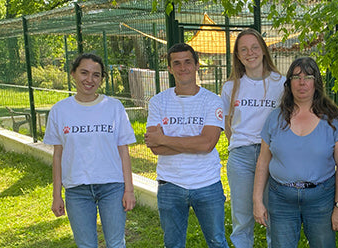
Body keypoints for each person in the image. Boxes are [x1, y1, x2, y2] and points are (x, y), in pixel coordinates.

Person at [253, 57, 338, 248]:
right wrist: (257, 201)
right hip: (281, 198)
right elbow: (263, 162)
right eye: (296, 77)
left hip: (321, 198)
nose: (302, 82)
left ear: (317, 82)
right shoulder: (275, 118)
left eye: (308, 76)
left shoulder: (332, 118)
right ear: (289, 83)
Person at [45, 53, 136, 248]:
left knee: (116, 243)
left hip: (112, 187)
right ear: (73, 74)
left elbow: (123, 151)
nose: (90, 79)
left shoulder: (114, 107)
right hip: (77, 190)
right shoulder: (60, 110)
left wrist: (129, 189)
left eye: (96, 75)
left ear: (102, 79)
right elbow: (58, 155)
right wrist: (56, 195)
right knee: (85, 245)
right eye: (84, 73)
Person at [144, 43, 229, 248]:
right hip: (170, 184)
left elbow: (208, 143)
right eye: (177, 63)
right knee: (173, 244)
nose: (183, 68)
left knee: (217, 241)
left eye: (188, 62)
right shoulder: (158, 102)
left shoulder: (212, 101)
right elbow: (155, 148)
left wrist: (164, 139)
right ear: (170, 69)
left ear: (197, 65)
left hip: (207, 182)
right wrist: (193, 143)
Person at [221, 28, 285, 248]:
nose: (250, 53)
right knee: (242, 218)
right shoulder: (230, 87)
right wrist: (239, 144)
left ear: (264, 51)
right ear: (238, 56)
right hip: (241, 157)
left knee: (273, 216)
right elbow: (228, 125)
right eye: (243, 49)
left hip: (274, 156)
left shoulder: (281, 83)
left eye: (255, 47)